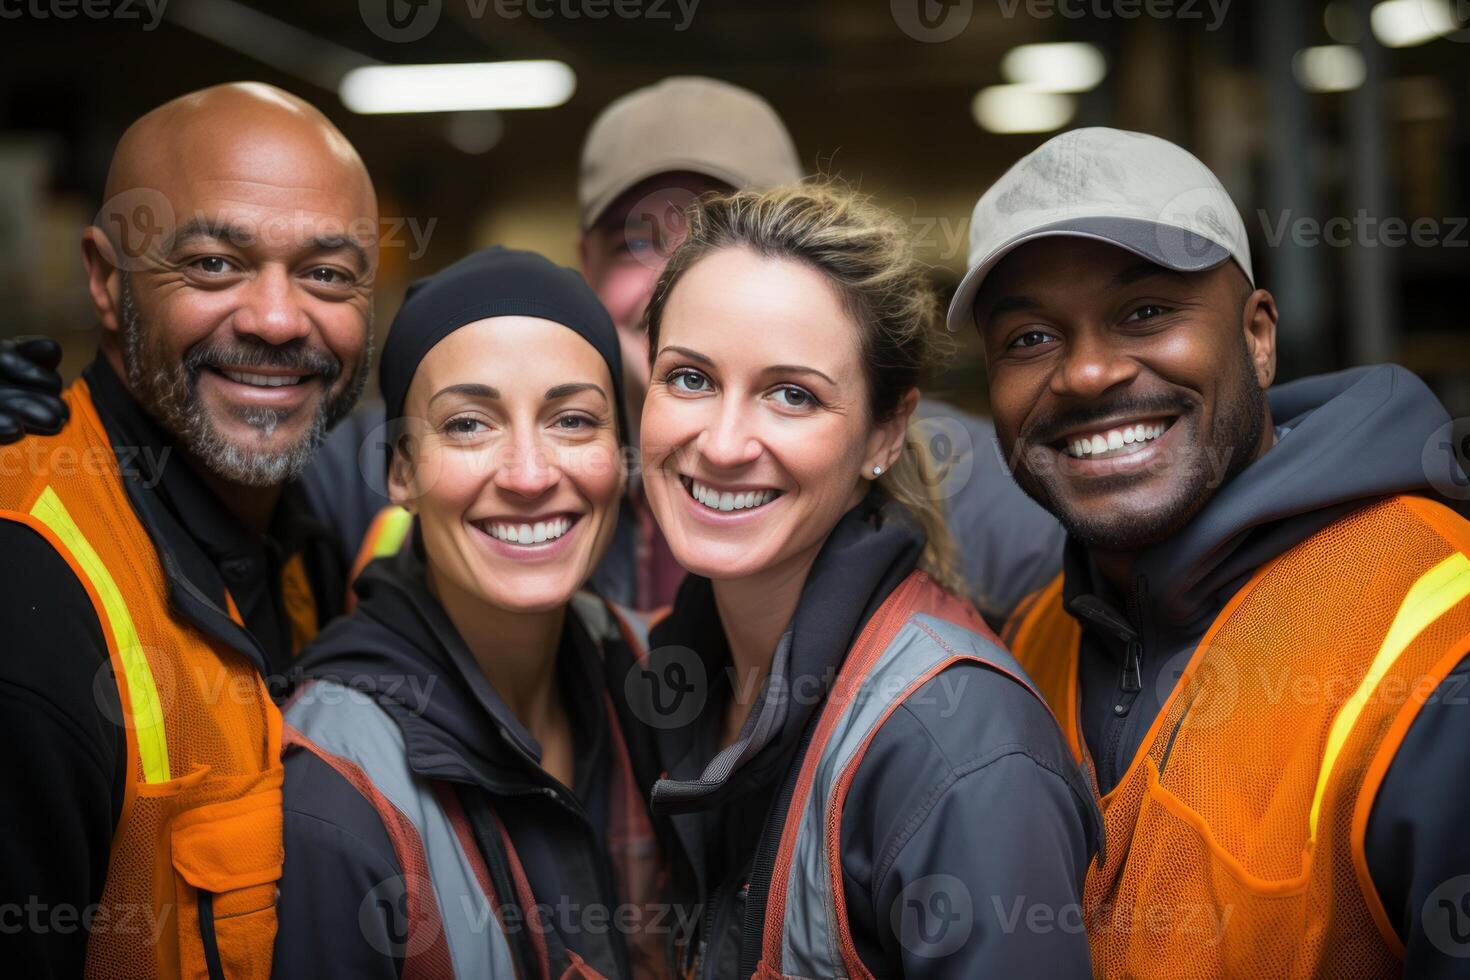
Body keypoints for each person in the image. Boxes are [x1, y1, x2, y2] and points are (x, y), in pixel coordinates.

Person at [949, 127, 1470, 977]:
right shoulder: (1031, 639)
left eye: (1145, 312)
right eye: (1031, 338)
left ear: (1259, 338)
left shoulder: (1434, 633)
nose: (1085, 374)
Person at [302, 75, 1064, 616]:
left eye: (714, 229)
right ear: (585, 260)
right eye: (639, 238)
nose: (676, 278)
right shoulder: (423, 463)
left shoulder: (972, 485)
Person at [633, 183, 1099, 978]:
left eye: (792, 395)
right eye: (690, 379)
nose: (723, 441)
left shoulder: (958, 750)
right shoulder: (686, 672)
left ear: (886, 431)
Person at [0, 82, 377, 978]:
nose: (278, 320)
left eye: (327, 273)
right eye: (212, 263)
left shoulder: (309, 544)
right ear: (104, 278)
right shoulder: (31, 599)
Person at [273, 248, 679, 979]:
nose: (528, 474)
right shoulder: (336, 789)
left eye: (573, 420)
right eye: (467, 424)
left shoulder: (653, 683)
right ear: (400, 469)